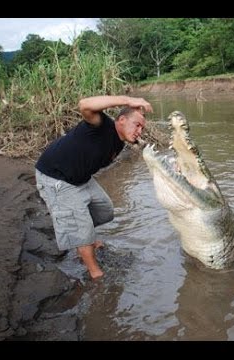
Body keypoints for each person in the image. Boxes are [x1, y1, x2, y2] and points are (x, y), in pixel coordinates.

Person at [35, 95, 153, 279]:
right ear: (121, 120)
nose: (140, 131)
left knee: (105, 211)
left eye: (142, 128)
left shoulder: (120, 142)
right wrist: (129, 100)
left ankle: (82, 234)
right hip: (56, 177)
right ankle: (95, 272)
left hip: (82, 178)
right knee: (81, 230)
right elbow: (84, 104)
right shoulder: (101, 125)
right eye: (137, 125)